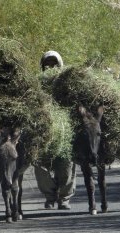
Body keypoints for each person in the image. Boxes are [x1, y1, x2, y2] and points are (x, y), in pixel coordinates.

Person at [35, 51, 76, 210]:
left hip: (65, 132)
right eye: (47, 64)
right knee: (40, 167)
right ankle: (50, 197)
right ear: (43, 67)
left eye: (54, 64)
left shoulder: (67, 83)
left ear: (60, 65)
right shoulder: (37, 84)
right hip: (44, 132)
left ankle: (64, 198)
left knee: (66, 166)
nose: (51, 67)